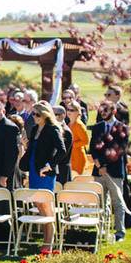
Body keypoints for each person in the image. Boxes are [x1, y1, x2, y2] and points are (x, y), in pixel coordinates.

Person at [21, 101, 67, 249]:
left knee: (47, 207)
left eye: (37, 114)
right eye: (32, 114)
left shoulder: (53, 129)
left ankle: (49, 243)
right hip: (34, 170)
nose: (34, 116)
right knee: (38, 204)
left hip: (45, 172)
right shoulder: (34, 129)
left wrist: (50, 165)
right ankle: (46, 241)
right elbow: (33, 150)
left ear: (45, 114)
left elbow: (62, 151)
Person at [90, 100, 130, 241]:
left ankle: (120, 232)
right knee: (101, 202)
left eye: (105, 110)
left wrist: (105, 166)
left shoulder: (123, 128)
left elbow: (119, 150)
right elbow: (93, 149)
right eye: (101, 110)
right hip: (99, 171)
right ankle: (102, 229)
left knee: (117, 202)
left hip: (115, 172)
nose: (103, 113)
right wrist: (100, 166)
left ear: (113, 111)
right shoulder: (97, 127)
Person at [66, 100, 90, 176]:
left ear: (78, 112)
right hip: (71, 157)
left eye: (72, 110)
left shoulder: (79, 125)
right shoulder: (69, 123)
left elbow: (86, 141)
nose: (69, 111)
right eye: (68, 109)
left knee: (77, 180)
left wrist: (72, 145)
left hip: (78, 157)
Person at [53, 105, 74, 185]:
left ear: (63, 115)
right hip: (54, 169)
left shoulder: (66, 131)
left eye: (55, 114)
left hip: (62, 171)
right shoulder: (53, 128)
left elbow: (63, 153)